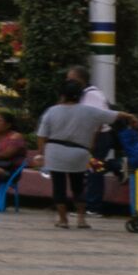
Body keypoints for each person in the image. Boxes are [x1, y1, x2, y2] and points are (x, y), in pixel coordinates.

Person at [37, 85, 113, 230]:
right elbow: (108, 117)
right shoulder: (87, 111)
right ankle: (81, 220)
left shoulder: (52, 111)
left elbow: (41, 135)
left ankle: (63, 220)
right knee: (78, 186)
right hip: (79, 153)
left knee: (59, 187)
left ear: (62, 96)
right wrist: (128, 116)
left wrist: (42, 154)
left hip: (56, 152)